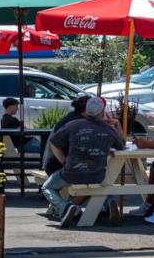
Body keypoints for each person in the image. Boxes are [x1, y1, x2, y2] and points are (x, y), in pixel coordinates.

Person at [43, 97, 125, 228]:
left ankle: (66, 208)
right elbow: (121, 146)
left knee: (47, 187)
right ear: (102, 111)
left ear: (86, 110)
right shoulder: (110, 130)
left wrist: (64, 161)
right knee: (102, 183)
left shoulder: (73, 124)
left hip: (71, 173)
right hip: (97, 174)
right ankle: (108, 201)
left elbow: (54, 142)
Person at [43, 95, 90, 177]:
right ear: (88, 109)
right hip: (58, 167)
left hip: (52, 163)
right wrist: (66, 164)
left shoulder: (72, 116)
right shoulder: (78, 122)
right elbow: (54, 144)